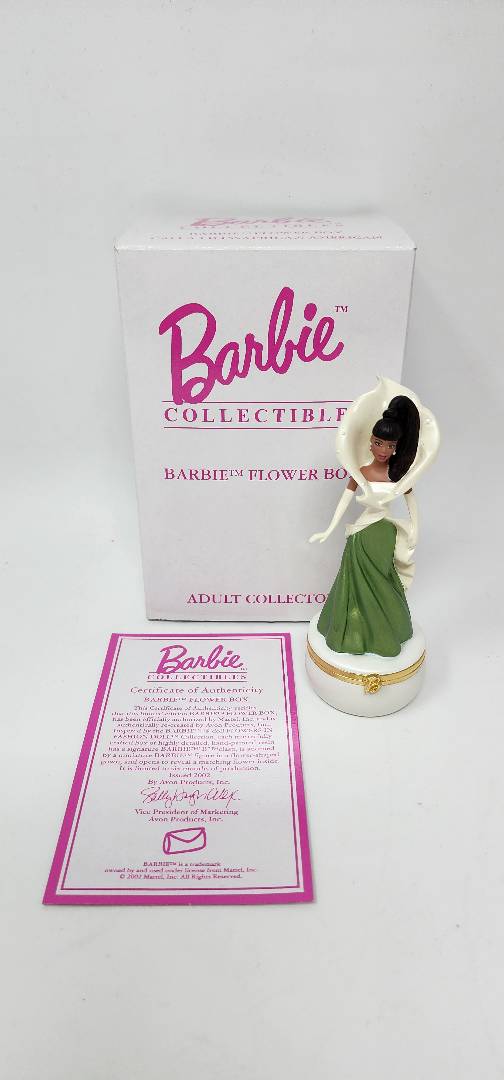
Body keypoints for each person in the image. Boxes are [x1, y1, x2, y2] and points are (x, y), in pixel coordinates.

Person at [309, 377, 439, 658]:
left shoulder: (398, 475)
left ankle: (386, 626)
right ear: (370, 442)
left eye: (389, 446)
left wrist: (415, 529)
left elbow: (411, 502)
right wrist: (329, 529)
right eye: (379, 443)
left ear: (396, 447)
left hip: (384, 533)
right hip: (362, 532)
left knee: (382, 580)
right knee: (355, 581)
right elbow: (345, 499)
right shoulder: (363, 472)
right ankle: (358, 631)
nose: (383, 450)